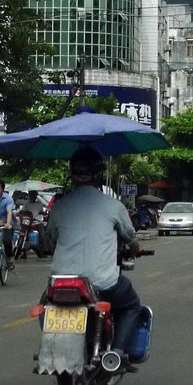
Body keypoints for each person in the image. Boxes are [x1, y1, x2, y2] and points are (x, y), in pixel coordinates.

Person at [45, 146, 143, 361]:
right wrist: (136, 250)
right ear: (99, 175)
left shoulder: (59, 207)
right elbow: (130, 237)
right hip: (102, 282)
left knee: (45, 306)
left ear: (71, 173)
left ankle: (52, 348)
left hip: (61, 281)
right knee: (132, 306)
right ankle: (116, 353)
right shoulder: (113, 205)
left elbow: (50, 241)